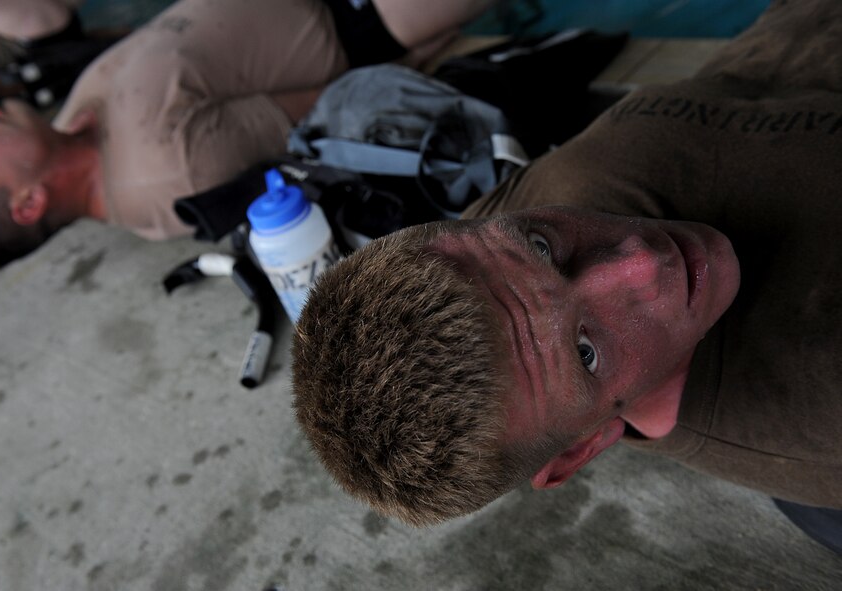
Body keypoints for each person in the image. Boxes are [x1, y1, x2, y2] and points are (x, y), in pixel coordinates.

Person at [291, 0, 842, 552]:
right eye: (586, 353)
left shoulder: (488, 248)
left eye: (542, 247)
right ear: (581, 448)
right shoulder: (816, 404)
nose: (646, 261)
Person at [0, 0, 495, 272]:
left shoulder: (69, 124)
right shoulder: (170, 166)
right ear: (29, 203)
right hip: (367, 14)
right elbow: (343, 95)